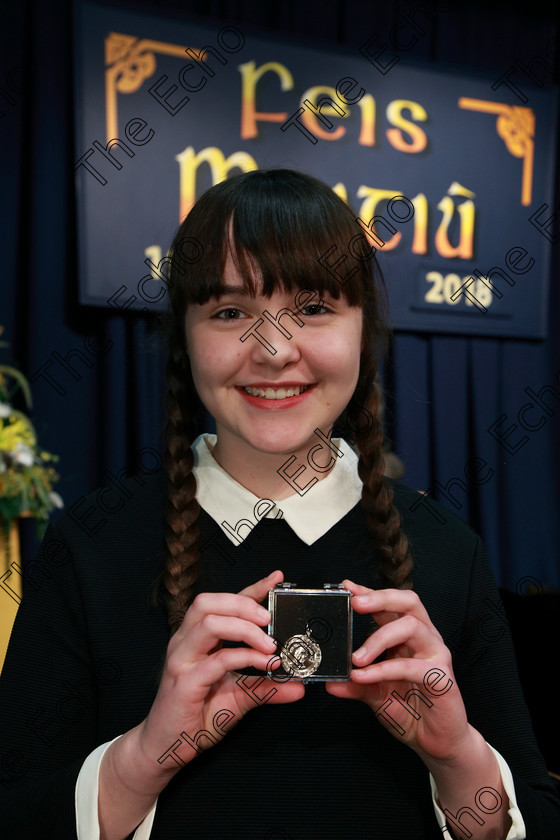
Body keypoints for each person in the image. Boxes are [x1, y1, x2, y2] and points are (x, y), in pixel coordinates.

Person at [0, 169, 558, 840]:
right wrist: (143, 758)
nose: (272, 350)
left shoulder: (446, 550)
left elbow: (534, 820)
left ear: (364, 331)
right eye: (230, 312)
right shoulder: (88, 545)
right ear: (185, 338)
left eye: (314, 307)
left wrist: (456, 753)